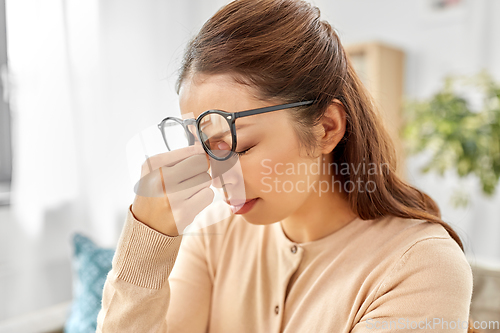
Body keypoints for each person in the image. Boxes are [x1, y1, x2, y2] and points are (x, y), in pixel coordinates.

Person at [96, 0, 475, 332]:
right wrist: (146, 240)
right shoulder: (215, 239)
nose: (214, 176)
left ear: (327, 127)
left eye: (238, 145)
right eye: (204, 149)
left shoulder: (420, 266)